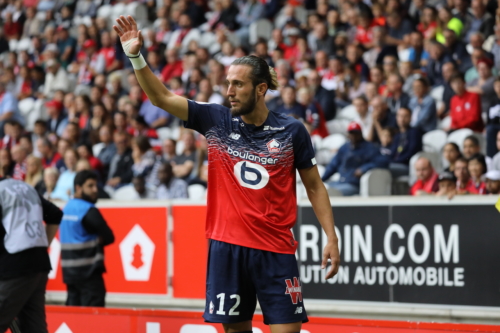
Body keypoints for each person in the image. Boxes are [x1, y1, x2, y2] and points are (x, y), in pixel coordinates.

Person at [114, 16, 340, 332]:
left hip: (275, 251)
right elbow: (161, 98)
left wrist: (331, 236)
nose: (229, 91)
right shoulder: (216, 120)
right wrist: (135, 56)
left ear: (261, 89)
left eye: (238, 84)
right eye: (227, 83)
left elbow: (314, 187)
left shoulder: (292, 131)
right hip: (227, 248)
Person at [0, 178, 62, 333]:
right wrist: (42, 246)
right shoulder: (23, 188)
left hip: (14, 267)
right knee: (33, 326)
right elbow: (55, 214)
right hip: (39, 264)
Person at [60, 170, 114, 306]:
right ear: (78, 188)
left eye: (96, 185)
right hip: (89, 274)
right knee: (93, 321)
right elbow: (110, 237)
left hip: (69, 273)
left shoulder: (66, 208)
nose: (95, 190)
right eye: (90, 186)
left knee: (73, 320)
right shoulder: (88, 210)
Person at [322, 122, 388, 196]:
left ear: (360, 134)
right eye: (351, 133)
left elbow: (383, 161)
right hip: (341, 181)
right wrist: (322, 179)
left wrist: (364, 168)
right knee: (322, 190)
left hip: (354, 184)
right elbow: (333, 165)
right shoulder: (345, 147)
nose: (353, 136)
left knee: (332, 192)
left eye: (356, 133)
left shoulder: (369, 148)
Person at [388, 108, 423, 178]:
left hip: (407, 166)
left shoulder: (414, 133)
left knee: (383, 169)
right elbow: (392, 153)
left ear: (410, 117)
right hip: (394, 164)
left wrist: (396, 161)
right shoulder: (397, 135)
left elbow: (411, 152)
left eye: (405, 116)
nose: (402, 119)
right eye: (400, 116)